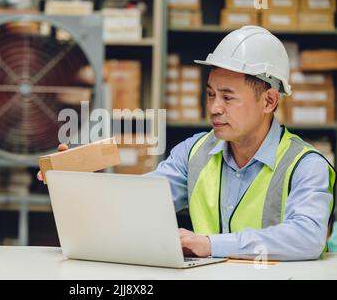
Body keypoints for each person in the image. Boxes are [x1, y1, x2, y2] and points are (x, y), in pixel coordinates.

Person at [38, 26, 335, 261]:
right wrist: (77, 184)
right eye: (210, 94)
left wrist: (209, 245)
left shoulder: (304, 165)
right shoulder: (195, 153)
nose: (215, 107)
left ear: (269, 100)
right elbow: (139, 204)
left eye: (228, 97)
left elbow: (307, 237)